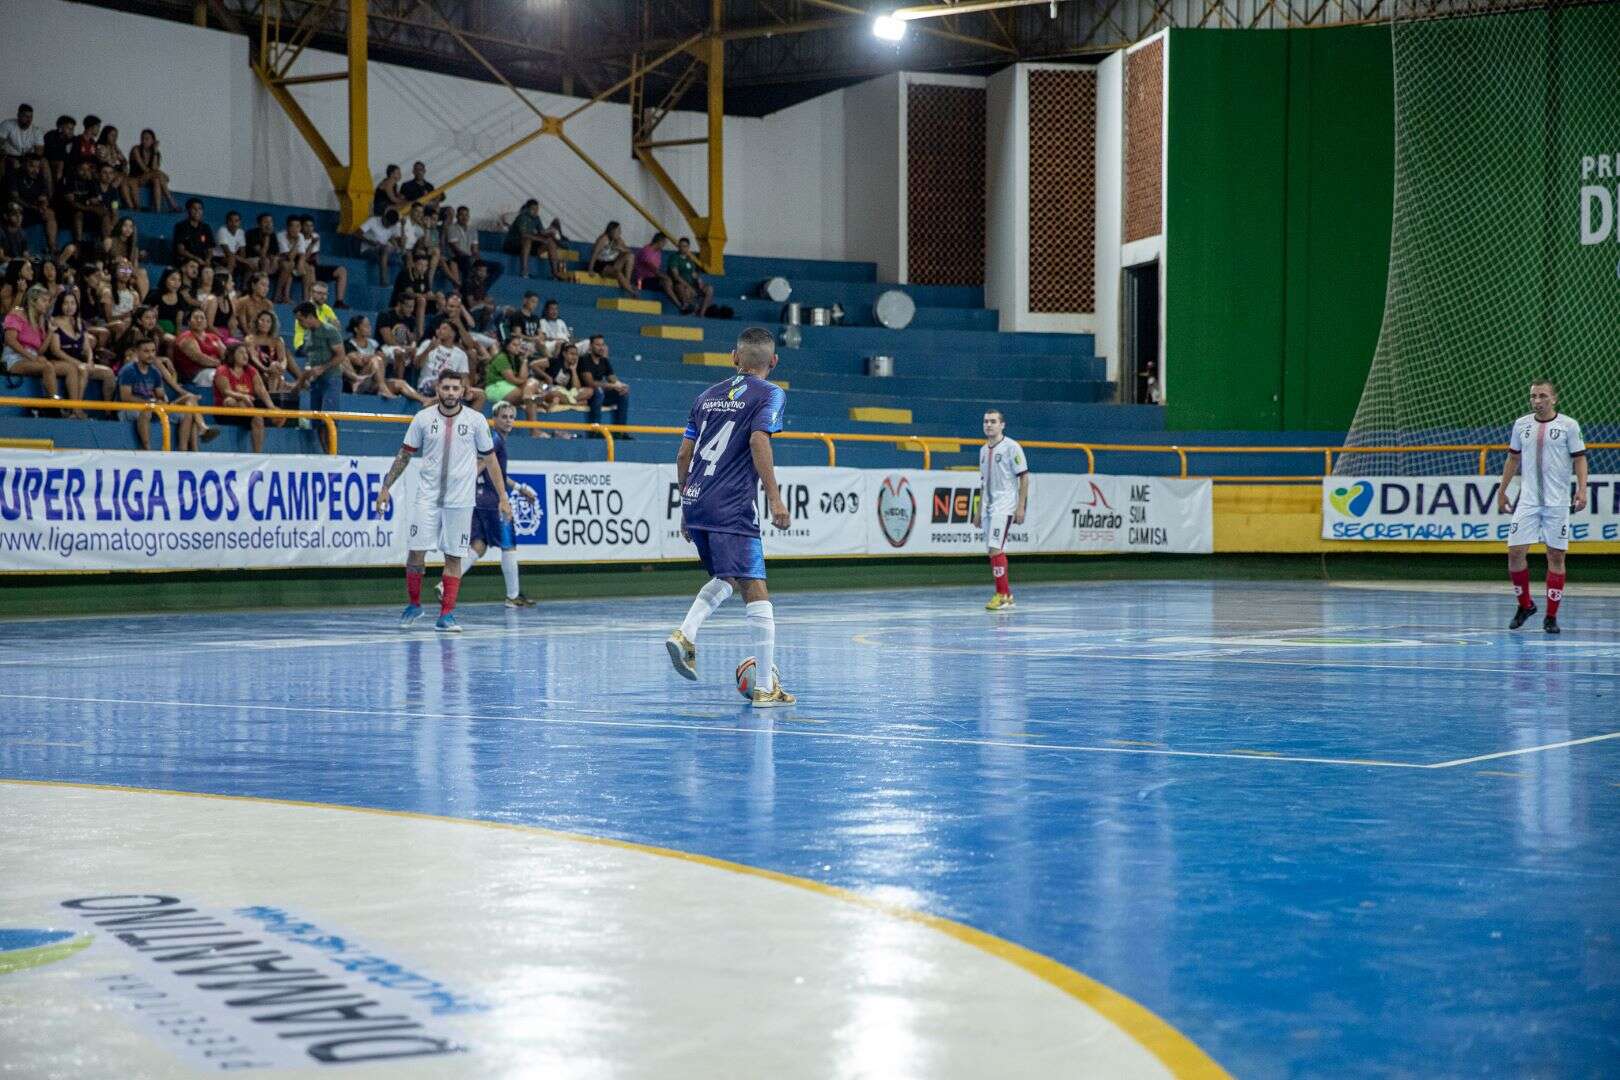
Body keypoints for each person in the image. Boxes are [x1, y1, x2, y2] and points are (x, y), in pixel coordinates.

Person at [665, 327, 794, 706]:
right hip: (732, 503)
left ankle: (686, 633)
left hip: (696, 498)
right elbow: (758, 439)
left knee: (729, 577)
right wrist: (775, 499)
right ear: (773, 361)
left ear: (734, 357)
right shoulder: (770, 393)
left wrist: (687, 506)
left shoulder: (706, 396)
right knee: (755, 584)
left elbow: (683, 455)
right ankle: (765, 687)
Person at [376, 369, 512, 633]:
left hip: (460, 501)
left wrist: (503, 497)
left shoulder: (475, 421)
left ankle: (447, 615)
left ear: (463, 391)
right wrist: (385, 486)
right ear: (437, 388)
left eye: (455, 388)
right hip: (427, 498)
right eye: (446, 387)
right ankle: (414, 604)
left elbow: (490, 459)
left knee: (454, 556)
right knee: (416, 553)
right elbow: (404, 455)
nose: (450, 393)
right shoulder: (423, 419)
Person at [1500, 380, 1587, 634]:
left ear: (1554, 399)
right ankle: (1525, 605)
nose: (1537, 401)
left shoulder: (1569, 426)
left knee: (1556, 556)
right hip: (1528, 501)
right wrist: (1502, 491)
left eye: (1543, 396)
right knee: (1515, 552)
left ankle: (1551, 616)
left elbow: (1580, 459)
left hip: (1557, 503)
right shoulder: (1521, 424)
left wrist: (1582, 489)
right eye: (1533, 396)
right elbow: (1513, 458)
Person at [439, 401, 538, 608]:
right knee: (508, 545)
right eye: (504, 417)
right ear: (494, 419)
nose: (508, 421)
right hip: (493, 502)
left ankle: (444, 585)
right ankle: (513, 596)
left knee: (479, 545)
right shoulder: (495, 440)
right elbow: (481, 465)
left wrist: (519, 488)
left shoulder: (491, 440)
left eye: (512, 417)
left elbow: (496, 472)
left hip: (479, 500)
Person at [979, 408, 1029, 611]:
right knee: (993, 551)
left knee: (995, 548)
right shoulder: (983, 450)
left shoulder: (1011, 447)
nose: (988, 425)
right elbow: (983, 482)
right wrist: (978, 511)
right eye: (986, 421)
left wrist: (1020, 506)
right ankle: (1007, 595)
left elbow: (1024, 476)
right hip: (988, 507)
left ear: (1002, 425)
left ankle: (1001, 595)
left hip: (1005, 505)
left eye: (993, 421)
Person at [118, 337, 196, 451]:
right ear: (137, 352)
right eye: (146, 351)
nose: (150, 355)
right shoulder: (128, 370)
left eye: (153, 351)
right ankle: (147, 449)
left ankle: (182, 450)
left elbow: (160, 395)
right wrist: (149, 403)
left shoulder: (155, 371)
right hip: (128, 409)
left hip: (152, 406)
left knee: (186, 414)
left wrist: (160, 401)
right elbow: (125, 397)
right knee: (147, 412)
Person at [47, 291, 114, 410]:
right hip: (60, 361)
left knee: (108, 373)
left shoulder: (79, 321)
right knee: (82, 370)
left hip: (80, 362)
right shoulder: (54, 321)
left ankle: (109, 412)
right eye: (66, 303)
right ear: (60, 305)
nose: (69, 307)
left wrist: (90, 360)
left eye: (72, 303)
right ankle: (77, 408)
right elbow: (55, 350)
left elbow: (87, 347)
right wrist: (76, 362)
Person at [3, 284, 69, 402]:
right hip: (14, 358)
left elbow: (40, 351)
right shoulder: (17, 313)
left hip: (32, 358)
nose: (47, 304)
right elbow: (10, 340)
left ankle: (75, 408)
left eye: (48, 301)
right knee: (47, 367)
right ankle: (54, 404)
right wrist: (32, 357)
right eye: (44, 300)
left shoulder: (40, 320)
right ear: (33, 301)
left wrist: (50, 332)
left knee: (70, 368)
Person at [292, 301, 346, 434]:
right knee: (316, 421)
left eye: (301, 320)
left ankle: (332, 446)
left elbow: (340, 355)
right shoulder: (307, 335)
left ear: (311, 316)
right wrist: (299, 383)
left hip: (331, 379)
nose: (299, 323)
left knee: (329, 418)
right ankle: (324, 448)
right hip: (315, 382)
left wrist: (323, 368)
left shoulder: (330, 331)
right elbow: (309, 362)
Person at [212, 343, 278, 452]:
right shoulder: (222, 370)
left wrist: (272, 407)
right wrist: (243, 396)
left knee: (258, 418)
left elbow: (261, 390)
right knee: (230, 400)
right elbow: (226, 391)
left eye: (246, 353)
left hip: (247, 410)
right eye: (241, 353)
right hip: (226, 412)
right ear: (232, 355)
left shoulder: (251, 370)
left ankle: (257, 454)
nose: (245, 356)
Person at [414, 320, 485, 410]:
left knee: (481, 394)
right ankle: (434, 402)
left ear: (452, 333)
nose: (439, 330)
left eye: (444, 328)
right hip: (428, 384)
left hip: (452, 386)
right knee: (443, 384)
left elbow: (464, 377)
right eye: (439, 328)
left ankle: (469, 419)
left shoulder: (460, 354)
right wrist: (429, 348)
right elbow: (417, 365)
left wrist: (466, 388)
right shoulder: (428, 343)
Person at [5, 154, 60, 255]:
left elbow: (43, 196)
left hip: (34, 208)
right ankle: (17, 251)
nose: (35, 170)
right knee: (16, 210)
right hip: (20, 207)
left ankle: (52, 246)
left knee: (50, 213)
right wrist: (33, 207)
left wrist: (43, 205)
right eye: (32, 166)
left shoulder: (39, 177)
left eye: (37, 167)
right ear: (24, 164)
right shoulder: (14, 175)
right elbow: (14, 197)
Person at [578, 334, 630, 434]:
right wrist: (612, 386)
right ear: (590, 346)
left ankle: (620, 432)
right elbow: (590, 383)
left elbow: (612, 378)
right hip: (587, 395)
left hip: (600, 395)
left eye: (602, 345)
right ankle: (595, 431)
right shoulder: (584, 360)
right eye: (598, 345)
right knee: (598, 392)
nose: (601, 348)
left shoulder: (604, 361)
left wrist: (621, 386)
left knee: (623, 394)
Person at [300, 217, 348, 308]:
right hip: (302, 267)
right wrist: (312, 244)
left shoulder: (315, 236)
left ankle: (339, 301)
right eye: (306, 225)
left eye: (311, 226)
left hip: (314, 265)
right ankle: (313, 302)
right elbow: (304, 258)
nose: (309, 228)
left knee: (341, 270)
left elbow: (315, 256)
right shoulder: (299, 237)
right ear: (301, 226)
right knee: (311, 269)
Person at [128, 129, 178, 212]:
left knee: (156, 180)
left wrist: (155, 152)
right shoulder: (136, 149)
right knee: (158, 175)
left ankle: (157, 209)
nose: (144, 141)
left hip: (149, 179)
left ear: (153, 141)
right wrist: (161, 174)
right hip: (136, 179)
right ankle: (171, 203)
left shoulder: (155, 153)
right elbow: (144, 169)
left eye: (147, 139)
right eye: (142, 138)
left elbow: (154, 168)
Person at [632, 232, 682, 308]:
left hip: (652, 280)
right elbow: (654, 269)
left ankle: (686, 304)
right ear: (659, 241)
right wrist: (666, 277)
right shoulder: (646, 251)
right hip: (641, 281)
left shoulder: (658, 252)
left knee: (679, 285)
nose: (664, 245)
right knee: (666, 281)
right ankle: (679, 305)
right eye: (664, 243)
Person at [668, 237, 714, 316]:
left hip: (692, 284)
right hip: (681, 285)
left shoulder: (690, 259)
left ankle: (702, 313)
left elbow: (693, 273)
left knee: (709, 289)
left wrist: (699, 280)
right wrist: (689, 287)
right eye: (680, 246)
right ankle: (691, 309)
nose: (682, 248)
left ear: (688, 247)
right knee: (684, 289)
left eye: (684, 246)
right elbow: (676, 276)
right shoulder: (674, 257)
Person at [588, 221, 634, 294]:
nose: (620, 233)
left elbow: (629, 251)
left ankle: (627, 283)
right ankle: (631, 292)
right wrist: (590, 269)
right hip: (601, 264)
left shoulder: (619, 240)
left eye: (620, 230)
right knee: (618, 273)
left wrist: (621, 249)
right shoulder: (604, 239)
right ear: (611, 230)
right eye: (618, 230)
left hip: (612, 262)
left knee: (630, 256)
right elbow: (594, 254)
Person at [0, 105, 44, 177]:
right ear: (18, 115)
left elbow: (39, 151)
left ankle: (45, 185)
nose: (29, 120)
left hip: (28, 157)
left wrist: (27, 161)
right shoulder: (7, 124)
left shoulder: (36, 130)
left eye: (31, 117)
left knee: (44, 163)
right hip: (9, 156)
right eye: (25, 116)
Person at [171, 198, 213, 266]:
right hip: (186, 260)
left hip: (202, 260)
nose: (197, 211)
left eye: (200, 209)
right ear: (188, 210)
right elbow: (180, 250)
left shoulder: (206, 227)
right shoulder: (181, 226)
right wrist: (196, 259)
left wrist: (208, 259)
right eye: (194, 208)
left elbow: (210, 249)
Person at [214, 210, 247, 283]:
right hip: (218, 257)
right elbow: (227, 252)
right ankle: (228, 283)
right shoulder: (222, 230)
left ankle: (245, 287)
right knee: (232, 259)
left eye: (236, 221)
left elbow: (243, 253)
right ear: (226, 222)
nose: (234, 223)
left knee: (250, 264)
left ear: (240, 222)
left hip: (233, 257)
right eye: (231, 221)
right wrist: (246, 262)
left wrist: (244, 261)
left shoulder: (241, 232)